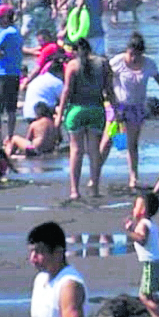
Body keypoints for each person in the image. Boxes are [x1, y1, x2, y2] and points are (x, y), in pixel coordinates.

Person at [104, 33, 159, 189]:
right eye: (131, 54)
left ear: (142, 53)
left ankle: (133, 177)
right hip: (118, 106)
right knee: (108, 140)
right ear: (127, 51)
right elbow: (106, 79)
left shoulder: (149, 64)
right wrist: (105, 97)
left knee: (132, 144)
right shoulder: (117, 61)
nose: (133, 58)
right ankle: (95, 173)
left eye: (137, 55)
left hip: (136, 107)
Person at [56, 37, 115, 200]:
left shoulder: (72, 65)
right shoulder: (103, 63)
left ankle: (75, 191)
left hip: (76, 110)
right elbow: (109, 90)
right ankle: (94, 188)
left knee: (76, 150)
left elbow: (67, 91)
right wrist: (116, 108)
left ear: (75, 51)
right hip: (96, 109)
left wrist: (60, 114)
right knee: (94, 151)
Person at [0, 5, 24, 138]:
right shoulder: (17, 32)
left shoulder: (6, 33)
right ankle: (10, 136)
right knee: (11, 109)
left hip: (1, 74)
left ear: (5, 18)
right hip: (14, 74)